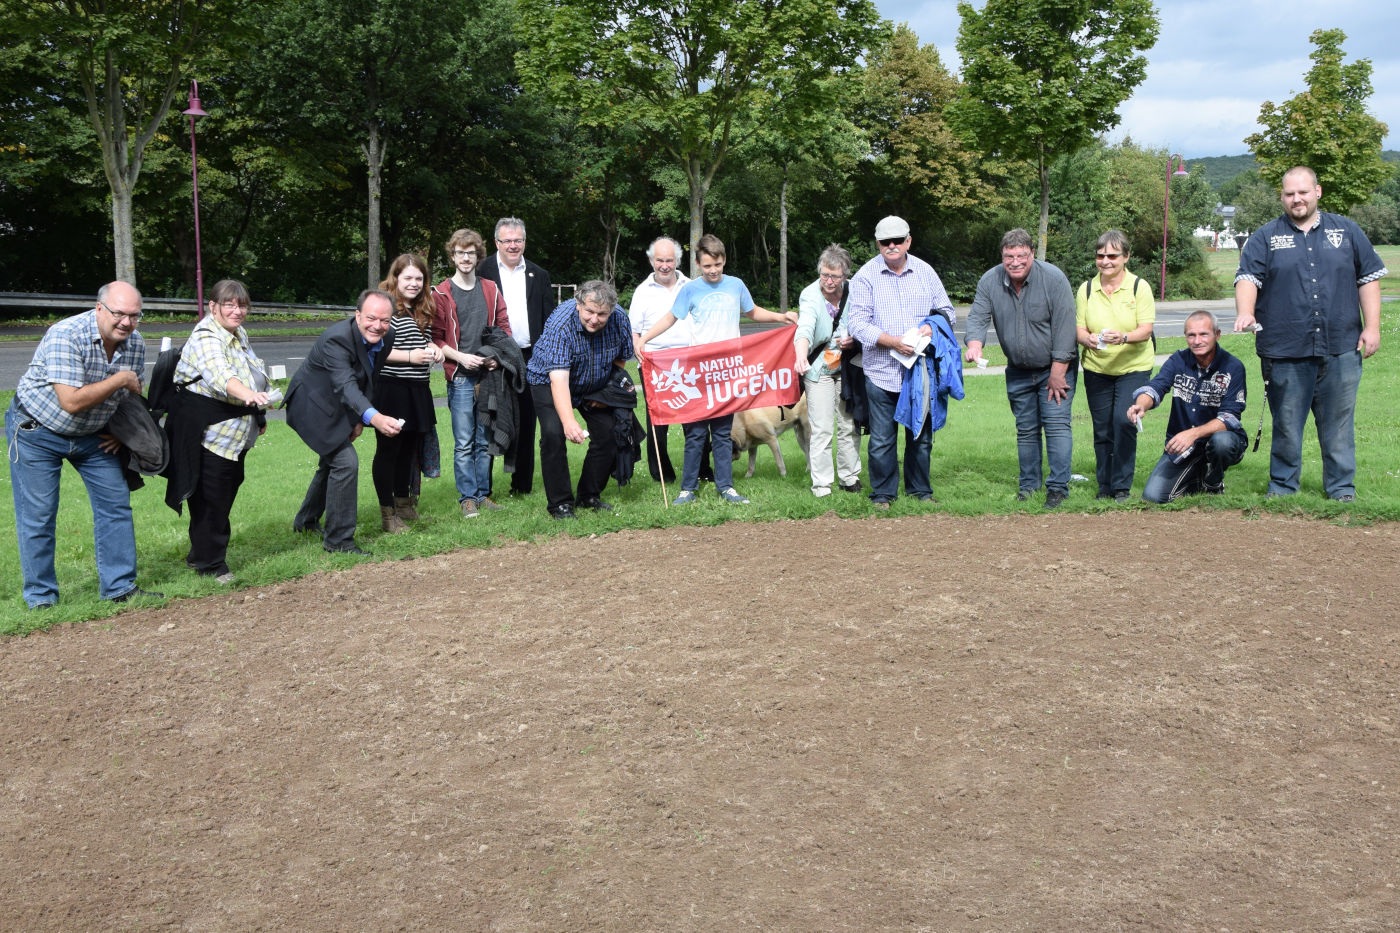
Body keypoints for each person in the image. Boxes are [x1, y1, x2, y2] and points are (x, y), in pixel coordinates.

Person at [1233, 165, 1387, 501]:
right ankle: (1283, 488)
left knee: (1339, 427)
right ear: (1282, 197)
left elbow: (1369, 278)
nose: (1296, 199)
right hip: (1284, 351)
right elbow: (1247, 278)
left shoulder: (1346, 231)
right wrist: (1245, 311)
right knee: (1287, 426)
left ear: (1317, 192)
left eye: (1303, 192)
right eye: (1289, 194)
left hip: (1342, 347)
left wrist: (1372, 327)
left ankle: (1341, 489)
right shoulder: (1266, 237)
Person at [6, 281, 161, 607]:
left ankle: (120, 589)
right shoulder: (66, 334)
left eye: (135, 316)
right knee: (39, 516)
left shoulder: (135, 344)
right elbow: (72, 402)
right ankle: (41, 599)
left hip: (93, 437)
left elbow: (129, 399)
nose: (126, 322)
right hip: (38, 432)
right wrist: (120, 378)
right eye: (119, 313)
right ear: (100, 308)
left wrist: (122, 433)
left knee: (116, 505)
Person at [638, 233, 798, 505]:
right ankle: (688, 488)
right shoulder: (689, 290)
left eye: (718, 265)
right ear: (698, 265)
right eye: (708, 266)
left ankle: (726, 487)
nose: (713, 271)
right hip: (699, 374)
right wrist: (644, 339)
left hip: (727, 373)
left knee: (723, 433)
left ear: (724, 261)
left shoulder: (736, 285)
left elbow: (752, 312)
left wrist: (780, 316)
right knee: (696, 434)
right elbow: (670, 317)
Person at [286, 289, 431, 555]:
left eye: (385, 320)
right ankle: (338, 541)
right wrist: (373, 417)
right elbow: (345, 385)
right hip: (311, 405)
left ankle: (306, 521)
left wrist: (357, 419)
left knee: (331, 463)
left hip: (339, 404)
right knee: (345, 462)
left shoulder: (387, 337)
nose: (378, 326)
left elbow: (368, 380)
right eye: (371, 318)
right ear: (357, 315)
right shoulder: (337, 340)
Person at [164, 279, 272, 584]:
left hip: (235, 432)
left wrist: (258, 411)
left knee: (224, 491)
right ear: (212, 307)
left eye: (242, 305)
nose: (236, 311)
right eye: (229, 304)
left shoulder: (237, 333)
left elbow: (251, 372)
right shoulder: (206, 338)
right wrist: (247, 396)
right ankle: (210, 565)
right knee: (211, 498)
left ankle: (200, 554)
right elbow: (222, 378)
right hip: (210, 434)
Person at [965, 228, 1078, 509]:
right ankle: (1028, 486)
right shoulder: (990, 280)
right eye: (1009, 257)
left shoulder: (1053, 278)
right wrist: (975, 344)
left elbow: (1066, 328)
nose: (1015, 262)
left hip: (1055, 367)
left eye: (1021, 256)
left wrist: (1058, 371)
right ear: (1002, 256)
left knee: (1055, 425)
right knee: (1026, 429)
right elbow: (978, 316)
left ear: (1031, 254)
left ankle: (1058, 488)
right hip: (1017, 370)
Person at [847, 216, 955, 507]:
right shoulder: (865, 276)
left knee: (920, 435)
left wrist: (932, 327)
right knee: (882, 440)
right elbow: (856, 323)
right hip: (881, 372)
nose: (892, 246)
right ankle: (883, 494)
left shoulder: (925, 272)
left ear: (908, 241)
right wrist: (892, 341)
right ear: (878, 244)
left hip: (920, 372)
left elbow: (948, 311)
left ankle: (920, 491)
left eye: (898, 240)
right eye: (885, 242)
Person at [525, 280, 634, 519]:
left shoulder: (620, 319)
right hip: (548, 379)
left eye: (602, 314)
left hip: (594, 379)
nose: (594, 319)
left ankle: (589, 495)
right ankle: (561, 504)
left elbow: (620, 360)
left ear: (611, 311)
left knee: (609, 432)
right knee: (553, 434)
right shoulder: (561, 323)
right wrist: (569, 421)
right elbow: (559, 379)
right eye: (590, 312)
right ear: (578, 305)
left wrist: (606, 393)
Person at [431, 228, 514, 519]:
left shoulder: (490, 289)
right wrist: (460, 357)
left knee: (483, 439)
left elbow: (504, 329)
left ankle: (483, 494)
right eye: (460, 252)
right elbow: (436, 338)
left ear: (478, 255)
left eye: (471, 252)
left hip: (488, 377)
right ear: (452, 256)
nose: (466, 258)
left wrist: (496, 358)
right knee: (464, 441)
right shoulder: (441, 293)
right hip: (461, 377)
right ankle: (467, 498)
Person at [1128, 311, 1248, 503]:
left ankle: (1214, 482)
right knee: (1153, 497)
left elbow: (1230, 417)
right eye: (1191, 335)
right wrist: (1140, 405)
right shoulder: (1178, 360)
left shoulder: (1233, 366)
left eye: (1203, 334)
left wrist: (1192, 434)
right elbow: (1156, 387)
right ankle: (1196, 477)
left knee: (1222, 443)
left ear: (1217, 335)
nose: (1197, 341)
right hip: (1183, 446)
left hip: (1217, 441)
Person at [1074, 230, 1156, 502]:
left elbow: (1145, 330)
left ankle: (1121, 486)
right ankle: (1104, 486)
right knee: (1103, 428)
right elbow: (1080, 328)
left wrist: (1123, 337)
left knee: (1123, 421)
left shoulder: (1139, 287)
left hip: (1134, 367)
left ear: (1126, 257)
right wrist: (1087, 339)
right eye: (1100, 256)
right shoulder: (1086, 289)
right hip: (1097, 369)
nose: (1105, 261)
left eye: (1112, 255)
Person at [478, 217, 554, 497]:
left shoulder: (539, 274)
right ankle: (481, 489)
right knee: (488, 420)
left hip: (529, 358)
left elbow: (549, 320)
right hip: (492, 358)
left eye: (518, 240)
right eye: (507, 240)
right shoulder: (481, 270)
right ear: (496, 242)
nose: (513, 245)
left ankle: (521, 486)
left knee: (526, 422)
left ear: (524, 242)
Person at [371, 254, 444, 532]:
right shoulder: (385, 307)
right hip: (392, 389)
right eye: (408, 278)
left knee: (408, 452)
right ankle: (387, 514)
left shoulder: (423, 307)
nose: (414, 283)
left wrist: (435, 350)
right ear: (396, 278)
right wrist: (411, 357)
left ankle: (404, 504)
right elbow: (376, 348)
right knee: (389, 451)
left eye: (419, 278)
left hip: (418, 390)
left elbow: (424, 343)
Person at [794, 244, 862, 498]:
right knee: (822, 428)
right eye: (824, 274)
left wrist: (854, 339)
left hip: (848, 365)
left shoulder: (855, 290)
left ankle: (849, 476)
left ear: (845, 275)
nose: (829, 281)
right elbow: (805, 326)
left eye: (835, 276)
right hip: (818, 368)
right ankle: (822, 483)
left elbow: (864, 319)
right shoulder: (810, 295)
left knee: (849, 424)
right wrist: (801, 355)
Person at [628, 236, 690, 483]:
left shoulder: (691, 285)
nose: (664, 265)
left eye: (669, 260)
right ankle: (661, 474)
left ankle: (700, 469)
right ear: (652, 261)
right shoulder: (642, 291)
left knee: (694, 420)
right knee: (657, 421)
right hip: (655, 362)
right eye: (659, 260)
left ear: (677, 261)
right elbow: (634, 330)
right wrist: (639, 353)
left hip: (688, 360)